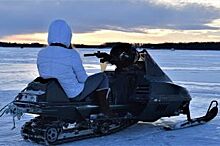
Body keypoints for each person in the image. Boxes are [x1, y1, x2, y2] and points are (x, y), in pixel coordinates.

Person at [37, 19, 112, 116]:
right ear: (68, 36)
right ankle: (104, 109)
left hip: (53, 93)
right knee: (102, 77)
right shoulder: (71, 54)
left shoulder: (42, 53)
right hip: (73, 94)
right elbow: (83, 78)